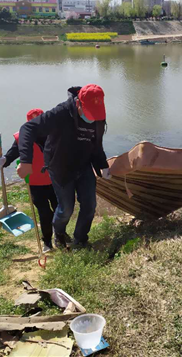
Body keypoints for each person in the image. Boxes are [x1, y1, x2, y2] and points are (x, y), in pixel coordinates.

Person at [16, 84, 111, 250]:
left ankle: (80, 240)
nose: (92, 119)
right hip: (60, 166)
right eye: (89, 114)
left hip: (83, 165)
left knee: (90, 205)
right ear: (78, 104)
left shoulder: (98, 115)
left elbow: (96, 144)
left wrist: (103, 165)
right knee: (66, 208)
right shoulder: (61, 113)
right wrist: (25, 161)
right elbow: (28, 128)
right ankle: (59, 232)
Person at [0, 108, 58, 253]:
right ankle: (47, 241)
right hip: (35, 184)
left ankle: (60, 235)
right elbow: (11, 156)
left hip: (55, 181)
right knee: (45, 213)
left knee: (60, 209)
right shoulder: (22, 138)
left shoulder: (54, 133)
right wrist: (3, 160)